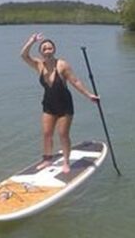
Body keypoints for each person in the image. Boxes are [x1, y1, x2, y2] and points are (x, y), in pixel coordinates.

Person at [19, 32, 99, 174]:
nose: (47, 51)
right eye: (44, 49)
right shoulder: (39, 65)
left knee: (63, 134)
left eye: (50, 48)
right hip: (48, 105)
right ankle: (47, 159)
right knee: (47, 133)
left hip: (64, 106)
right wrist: (31, 41)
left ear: (54, 50)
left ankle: (66, 162)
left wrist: (89, 95)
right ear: (41, 52)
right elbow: (24, 56)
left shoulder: (62, 65)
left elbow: (75, 81)